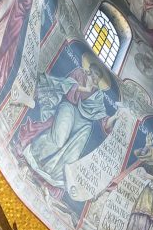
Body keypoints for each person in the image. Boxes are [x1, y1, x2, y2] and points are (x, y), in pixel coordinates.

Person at [21, 55, 117, 190]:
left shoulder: (98, 94)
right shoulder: (79, 73)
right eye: (95, 72)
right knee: (59, 140)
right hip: (69, 107)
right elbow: (67, 85)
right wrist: (85, 89)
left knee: (73, 153)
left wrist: (115, 117)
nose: (96, 77)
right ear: (90, 69)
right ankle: (32, 156)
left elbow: (102, 116)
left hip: (84, 121)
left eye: (98, 76)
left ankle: (53, 176)